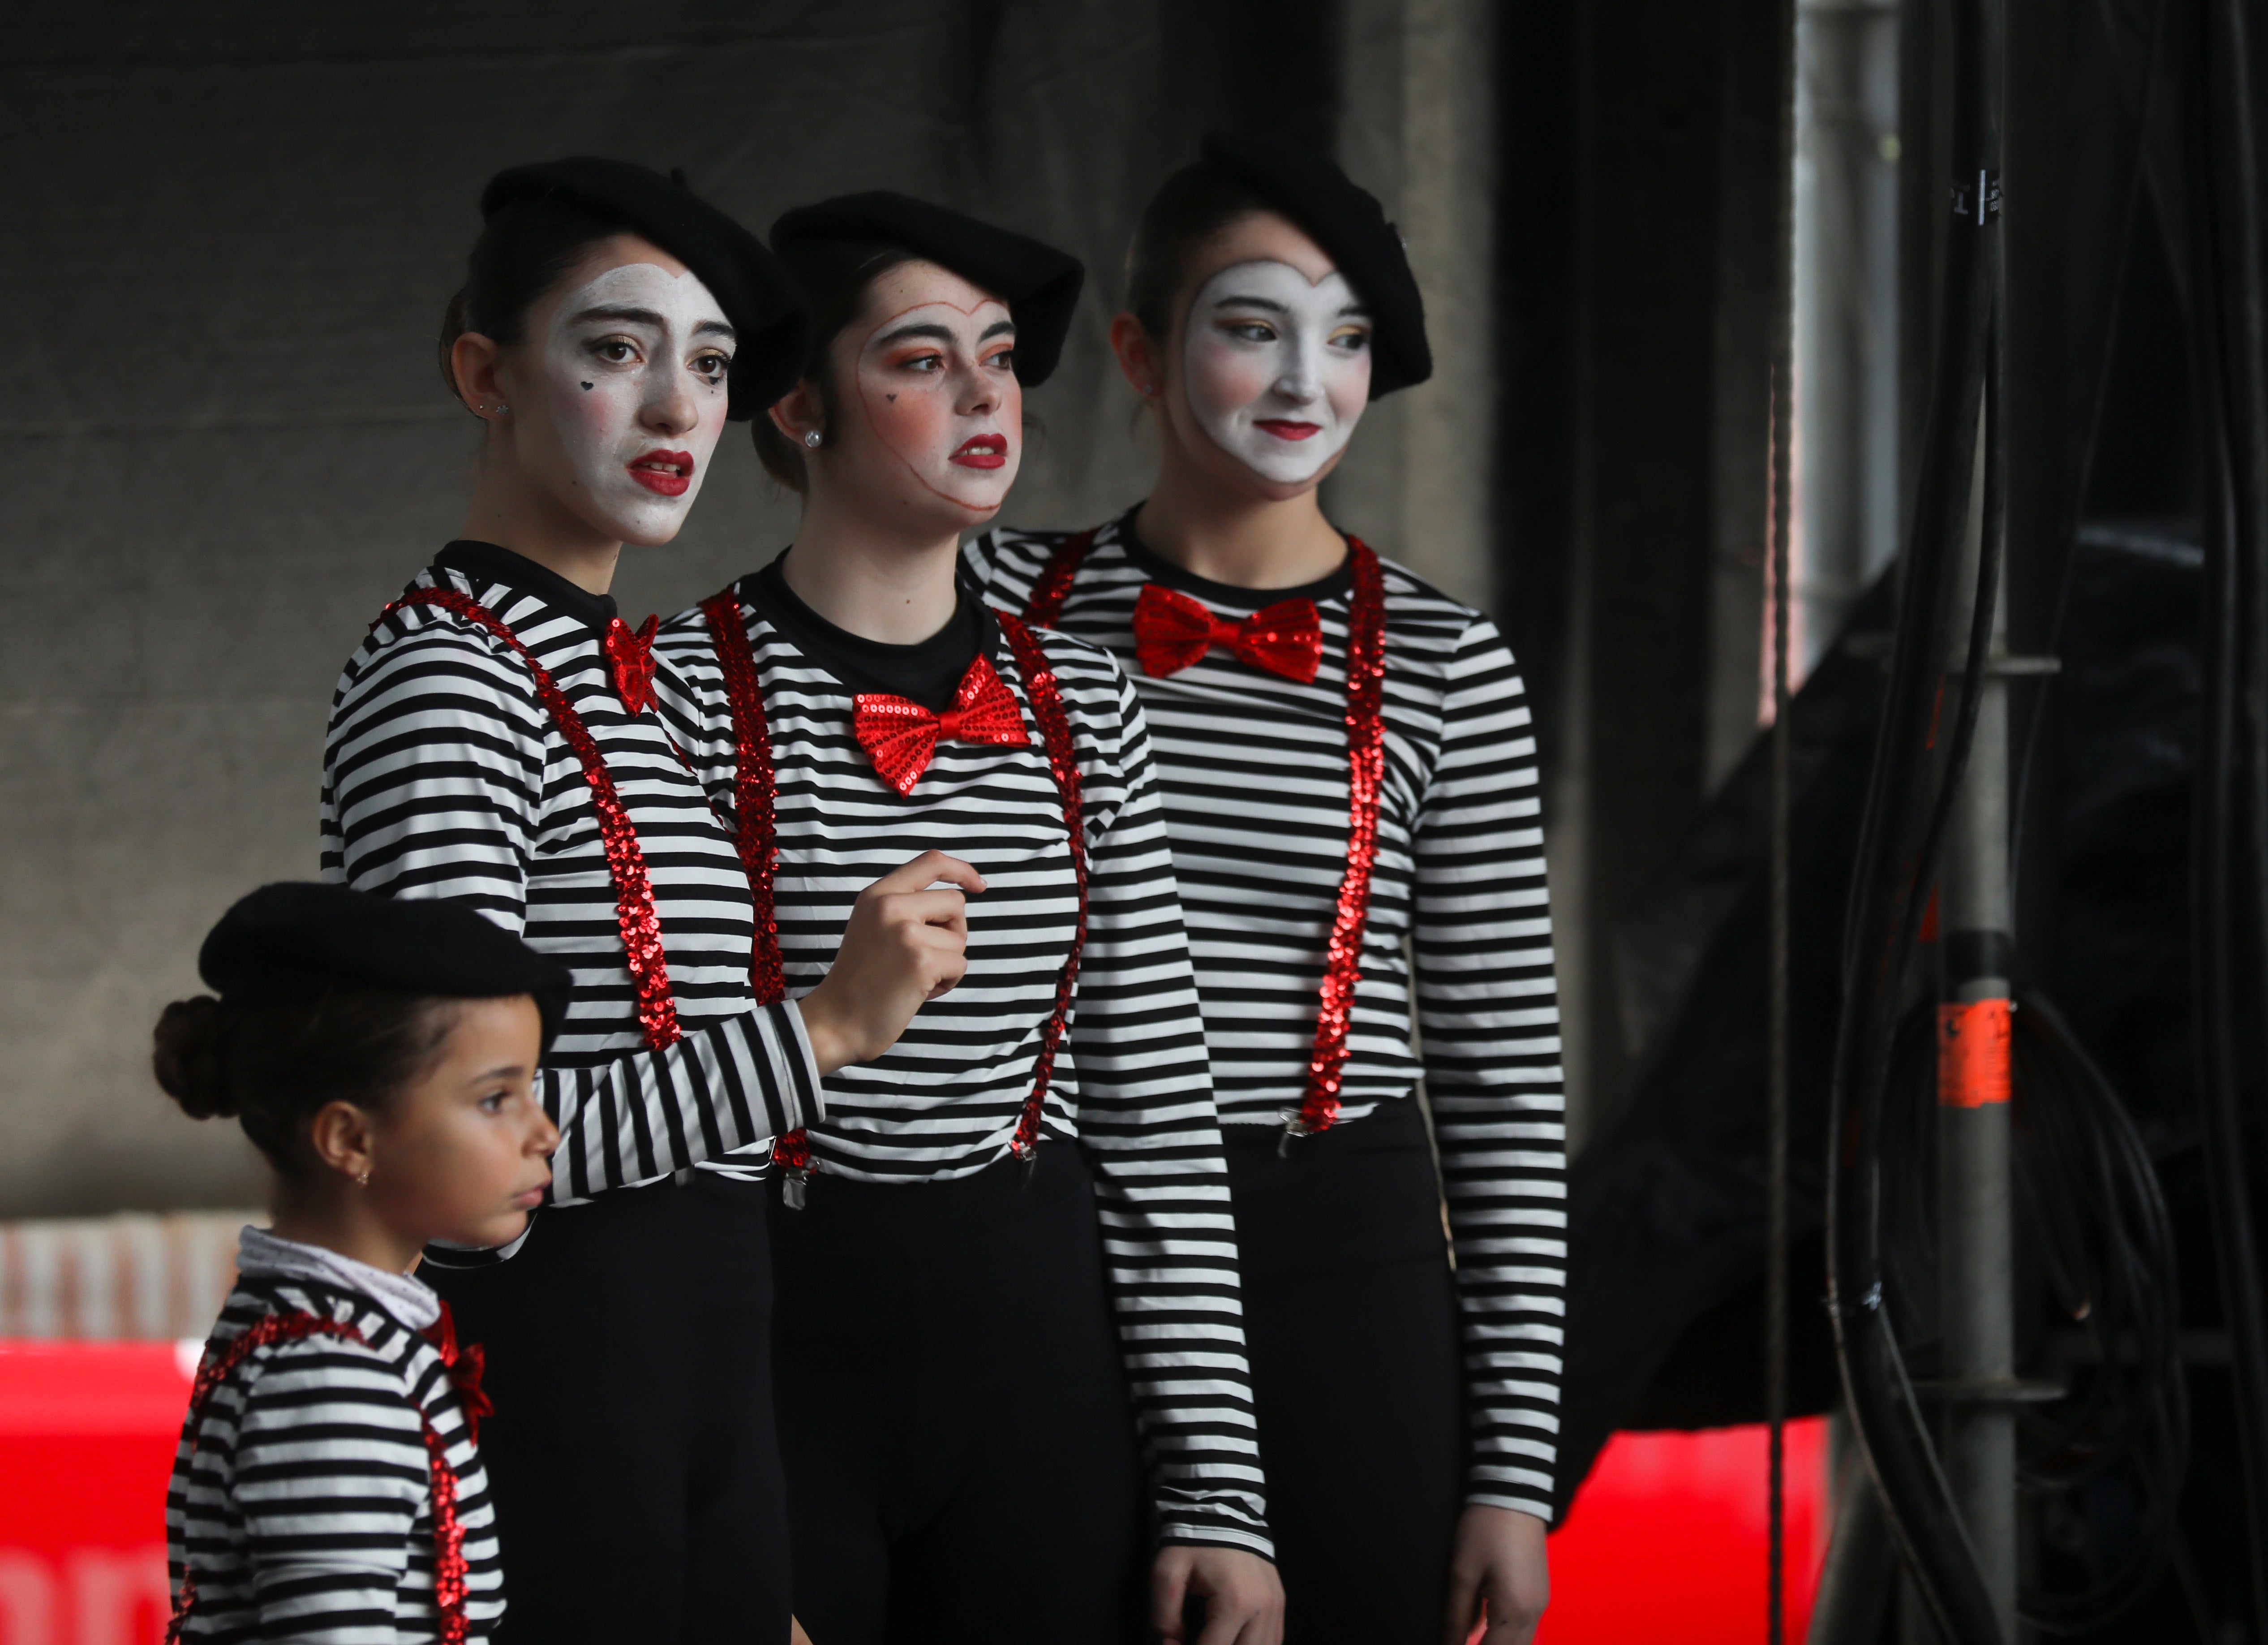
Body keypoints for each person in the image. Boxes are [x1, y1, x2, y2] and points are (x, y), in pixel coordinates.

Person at [320, 159, 959, 1645]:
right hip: (548, 1375)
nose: (681, 411)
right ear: (485, 371)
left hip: (701, 1375)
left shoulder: (645, 680)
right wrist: (820, 1034)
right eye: (616, 350)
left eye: (714, 366)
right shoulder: (448, 679)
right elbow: (455, 1161)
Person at [650, 191, 1283, 1645]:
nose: (986, 392)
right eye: (921, 359)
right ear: (800, 402)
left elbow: (1158, 1101)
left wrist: (1220, 1495)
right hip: (777, 1334)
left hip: (1037, 1330)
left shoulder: (1083, 695)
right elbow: (636, 1107)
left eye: (997, 356)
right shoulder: (679, 689)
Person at [960, 133, 1568, 1645]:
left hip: (1335, 1256)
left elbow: (1501, 1086)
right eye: (1252, 326)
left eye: (1348, 336)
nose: (1307, 380)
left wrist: (1513, 1470)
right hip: (1053, 1229)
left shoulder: (1445, 665)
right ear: (1138, 355)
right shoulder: (990, 608)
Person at [159, 881, 568, 1643]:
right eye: (494, 1099)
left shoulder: (331, 1333)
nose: (543, 1132)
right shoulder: (329, 1370)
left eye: (530, 1090)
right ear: (351, 1140)